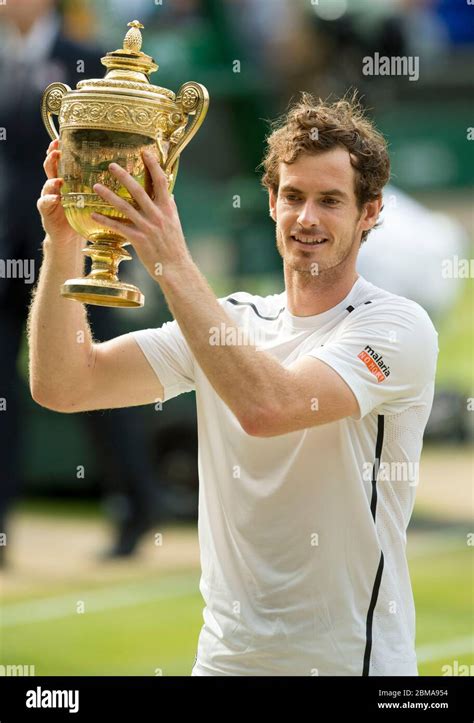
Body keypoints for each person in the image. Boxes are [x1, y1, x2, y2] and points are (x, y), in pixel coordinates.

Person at [28, 91, 439, 676]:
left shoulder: (398, 326)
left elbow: (269, 407)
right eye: (293, 197)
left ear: (369, 212)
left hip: (354, 665)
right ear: (270, 202)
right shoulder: (232, 318)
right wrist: (63, 242)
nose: (307, 218)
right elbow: (64, 385)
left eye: (331, 201)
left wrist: (169, 257)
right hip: (224, 663)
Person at [0, 0, 164, 563]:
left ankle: (136, 510)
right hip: (6, 255)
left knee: (99, 372)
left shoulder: (85, 68)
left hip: (82, 244)